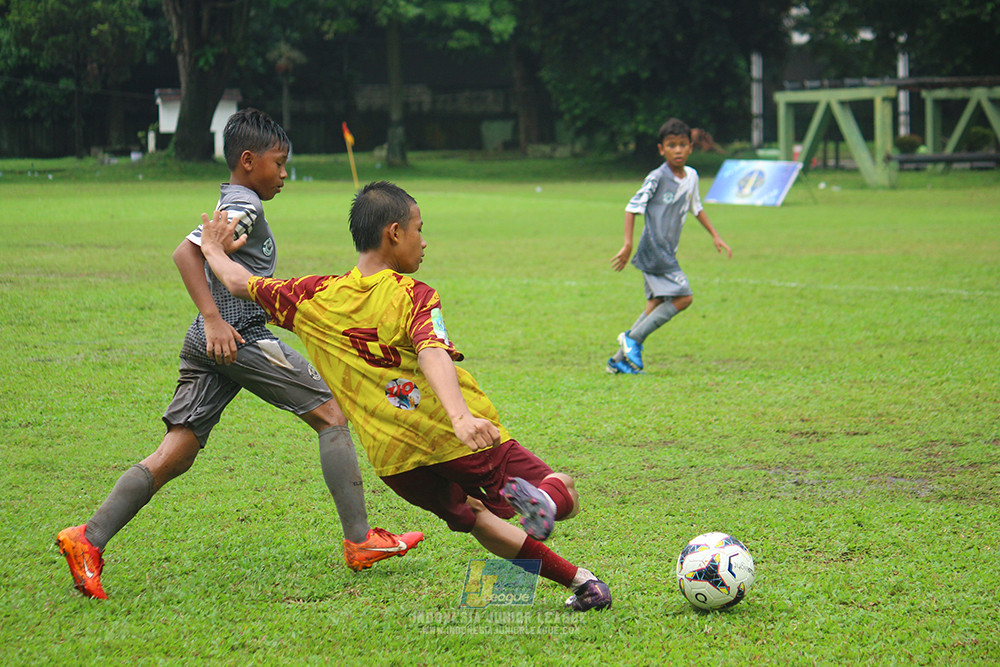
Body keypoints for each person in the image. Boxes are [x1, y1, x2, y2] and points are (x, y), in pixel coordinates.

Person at [56, 110, 422, 600]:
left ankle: (88, 538)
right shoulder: (242, 206)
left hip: (211, 342)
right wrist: (214, 318)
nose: (285, 173)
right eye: (279, 162)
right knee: (332, 415)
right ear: (249, 162)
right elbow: (185, 254)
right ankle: (360, 541)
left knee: (178, 450)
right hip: (236, 336)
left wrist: (211, 322)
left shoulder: (237, 200)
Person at [197, 181, 612, 612]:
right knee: (563, 489)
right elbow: (432, 350)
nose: (424, 240)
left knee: (478, 519)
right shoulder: (412, 295)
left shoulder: (313, 295)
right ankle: (544, 502)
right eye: (419, 228)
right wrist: (459, 418)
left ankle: (583, 584)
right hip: (450, 437)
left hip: (395, 462)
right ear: (394, 232)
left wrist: (212, 249)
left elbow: (240, 282)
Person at [607, 117, 732, 374]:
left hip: (666, 250)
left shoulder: (692, 177)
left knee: (654, 306)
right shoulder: (656, 178)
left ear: (690, 148)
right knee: (684, 297)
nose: (678, 150)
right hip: (654, 250)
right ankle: (632, 339)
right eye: (671, 145)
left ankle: (618, 361)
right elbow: (632, 208)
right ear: (661, 149)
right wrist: (627, 244)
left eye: (682, 144)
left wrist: (715, 235)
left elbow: (695, 206)